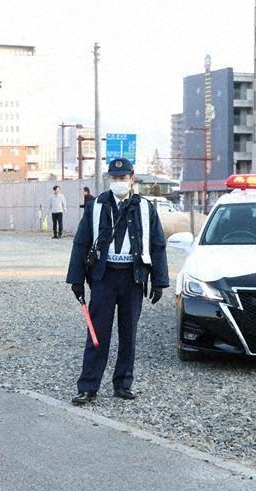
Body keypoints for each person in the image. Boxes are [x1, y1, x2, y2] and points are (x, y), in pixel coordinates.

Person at [66, 158, 170, 405]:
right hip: (103, 277)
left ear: (132, 178)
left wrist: (159, 281)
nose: (118, 182)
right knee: (97, 333)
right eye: (114, 178)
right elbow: (81, 242)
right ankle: (88, 386)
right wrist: (76, 279)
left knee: (128, 334)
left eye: (123, 178)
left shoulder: (145, 207)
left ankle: (123, 383)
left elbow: (157, 245)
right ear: (108, 179)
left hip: (132, 277)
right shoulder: (96, 206)